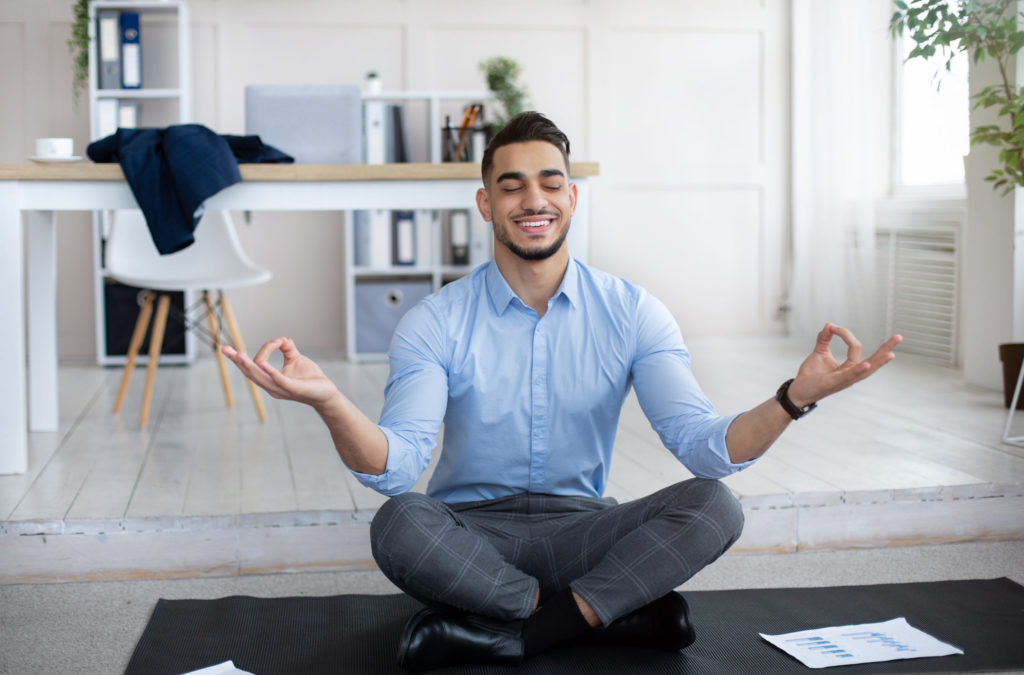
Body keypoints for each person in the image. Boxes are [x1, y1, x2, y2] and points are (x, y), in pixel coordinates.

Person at [222, 111, 902, 671]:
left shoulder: (634, 311)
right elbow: (397, 466)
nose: (533, 200)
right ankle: (603, 613)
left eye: (550, 182)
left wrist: (790, 398)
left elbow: (706, 451)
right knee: (399, 523)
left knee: (714, 505)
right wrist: (330, 401)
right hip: (472, 534)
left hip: (584, 528)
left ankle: (515, 630)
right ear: (486, 202)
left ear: (572, 197)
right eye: (511, 185)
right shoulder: (435, 320)